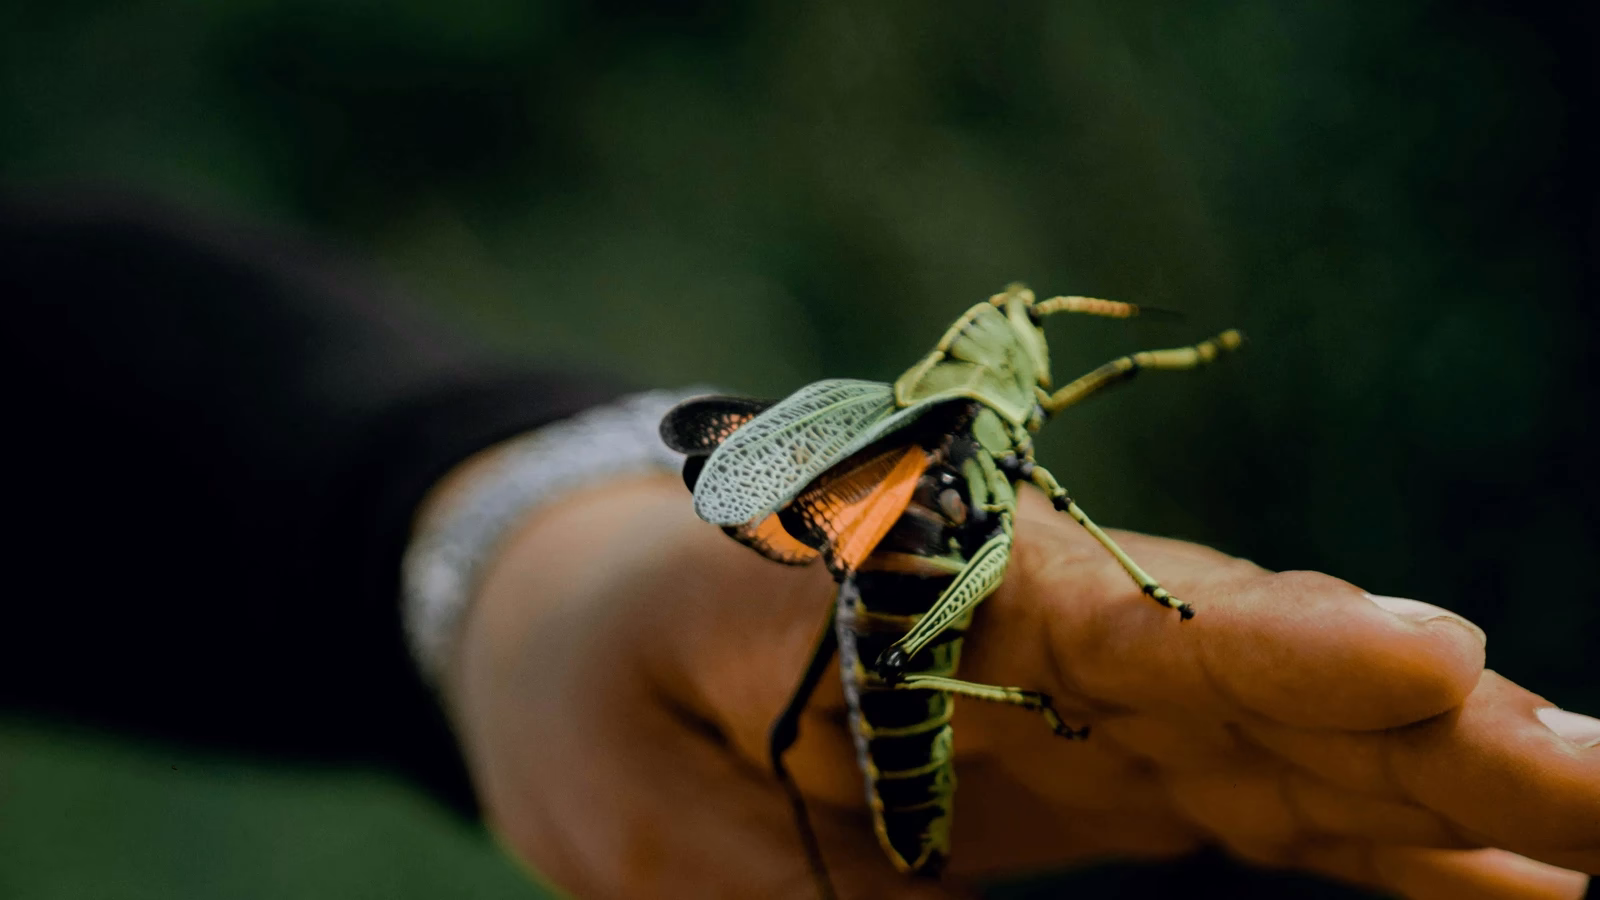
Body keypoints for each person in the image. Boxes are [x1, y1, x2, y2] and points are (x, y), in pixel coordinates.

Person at [3, 194, 1594, 900]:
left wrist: (516, 556)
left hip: (869, 572)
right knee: (980, 585)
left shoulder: (982, 421)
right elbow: (758, 460)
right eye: (1017, 334)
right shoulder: (927, 425)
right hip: (897, 635)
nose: (1030, 346)